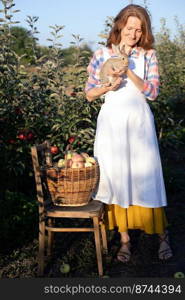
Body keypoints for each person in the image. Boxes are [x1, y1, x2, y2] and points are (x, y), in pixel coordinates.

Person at [85, 4, 173, 263]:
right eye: (130, 27)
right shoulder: (101, 54)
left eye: (139, 29)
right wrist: (108, 85)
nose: (134, 33)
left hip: (139, 124)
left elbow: (153, 93)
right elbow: (89, 93)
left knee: (148, 177)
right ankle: (124, 240)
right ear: (120, 25)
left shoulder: (148, 55)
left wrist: (129, 72)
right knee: (116, 178)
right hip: (111, 125)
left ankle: (162, 235)